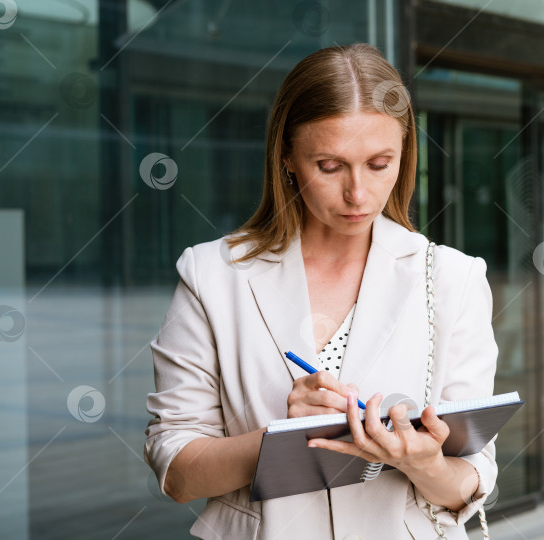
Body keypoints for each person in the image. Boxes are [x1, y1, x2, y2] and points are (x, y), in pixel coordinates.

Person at [144, 42, 499, 540]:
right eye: (329, 166)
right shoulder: (212, 274)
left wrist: (426, 464)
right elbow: (178, 473)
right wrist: (280, 440)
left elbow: (470, 481)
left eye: (380, 163)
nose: (359, 193)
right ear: (286, 157)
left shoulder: (452, 279)